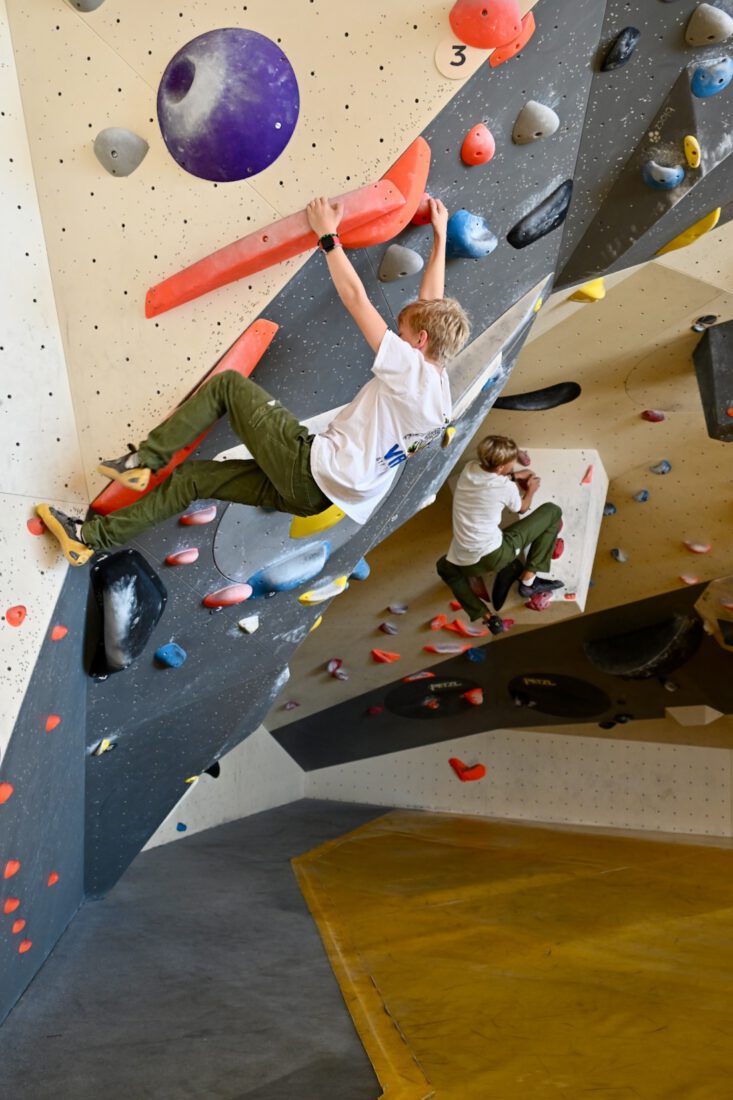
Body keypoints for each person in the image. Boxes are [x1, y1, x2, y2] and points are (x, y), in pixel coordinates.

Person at [37, 196, 470, 566]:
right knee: (192, 481)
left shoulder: (411, 371)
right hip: (319, 496)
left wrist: (327, 236)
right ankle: (88, 540)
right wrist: (438, 234)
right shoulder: (437, 389)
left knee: (228, 387)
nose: (397, 334)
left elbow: (357, 300)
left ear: (420, 342)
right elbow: (430, 304)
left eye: (404, 331)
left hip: (312, 467)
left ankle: (142, 462)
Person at [436, 434, 563, 622]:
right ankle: (529, 581)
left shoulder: (469, 469)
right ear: (501, 467)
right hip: (496, 554)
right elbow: (522, 507)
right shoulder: (505, 488)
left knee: (444, 567)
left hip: (464, 557)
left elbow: (492, 479)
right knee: (553, 512)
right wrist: (531, 489)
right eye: (512, 463)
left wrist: (515, 475)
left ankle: (484, 615)